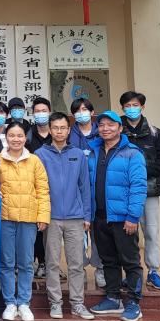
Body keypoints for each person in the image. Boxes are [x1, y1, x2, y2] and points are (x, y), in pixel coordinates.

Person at [87, 110, 148, 321]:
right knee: (108, 260)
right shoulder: (93, 152)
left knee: (130, 261)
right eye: (101, 125)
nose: (105, 128)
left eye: (110, 124)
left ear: (120, 128)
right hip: (99, 217)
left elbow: (138, 186)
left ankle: (133, 302)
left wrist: (133, 217)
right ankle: (113, 298)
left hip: (123, 218)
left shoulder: (132, 153)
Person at [35, 113, 94, 321]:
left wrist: (87, 215)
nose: (59, 131)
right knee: (52, 262)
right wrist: (40, 215)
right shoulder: (40, 155)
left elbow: (85, 187)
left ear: (69, 130)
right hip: (50, 217)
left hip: (75, 217)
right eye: (55, 128)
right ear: (50, 130)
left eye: (63, 128)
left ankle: (77, 303)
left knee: (76, 263)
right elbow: (37, 187)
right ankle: (55, 303)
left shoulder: (78, 154)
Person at [0, 119, 50, 321]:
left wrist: (43, 216)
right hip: (5, 218)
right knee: (7, 263)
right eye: (12, 135)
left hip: (28, 219)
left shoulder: (34, 161)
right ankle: (10, 302)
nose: (16, 139)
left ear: (25, 138)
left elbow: (42, 190)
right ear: (6, 138)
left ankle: (24, 303)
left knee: (26, 263)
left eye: (20, 135)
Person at [119, 90, 160, 292]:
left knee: (151, 231)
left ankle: (153, 271)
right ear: (122, 108)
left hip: (149, 190)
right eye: (127, 106)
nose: (131, 109)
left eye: (135, 105)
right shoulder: (116, 130)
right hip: (123, 191)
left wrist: (140, 173)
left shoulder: (155, 133)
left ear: (142, 107)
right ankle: (131, 273)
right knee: (126, 233)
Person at [67, 97, 105, 290]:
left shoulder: (102, 133)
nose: (81, 113)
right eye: (77, 110)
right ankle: (78, 271)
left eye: (84, 109)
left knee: (98, 233)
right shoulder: (69, 134)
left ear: (92, 112)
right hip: (75, 190)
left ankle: (100, 270)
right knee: (77, 234)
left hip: (98, 188)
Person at [27, 97, 53, 278]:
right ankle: (39, 262)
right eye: (37, 111)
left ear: (49, 112)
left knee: (52, 230)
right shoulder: (28, 136)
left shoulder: (57, 133)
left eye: (44, 111)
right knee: (37, 229)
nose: (41, 114)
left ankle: (51, 264)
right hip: (33, 188)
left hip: (55, 187)